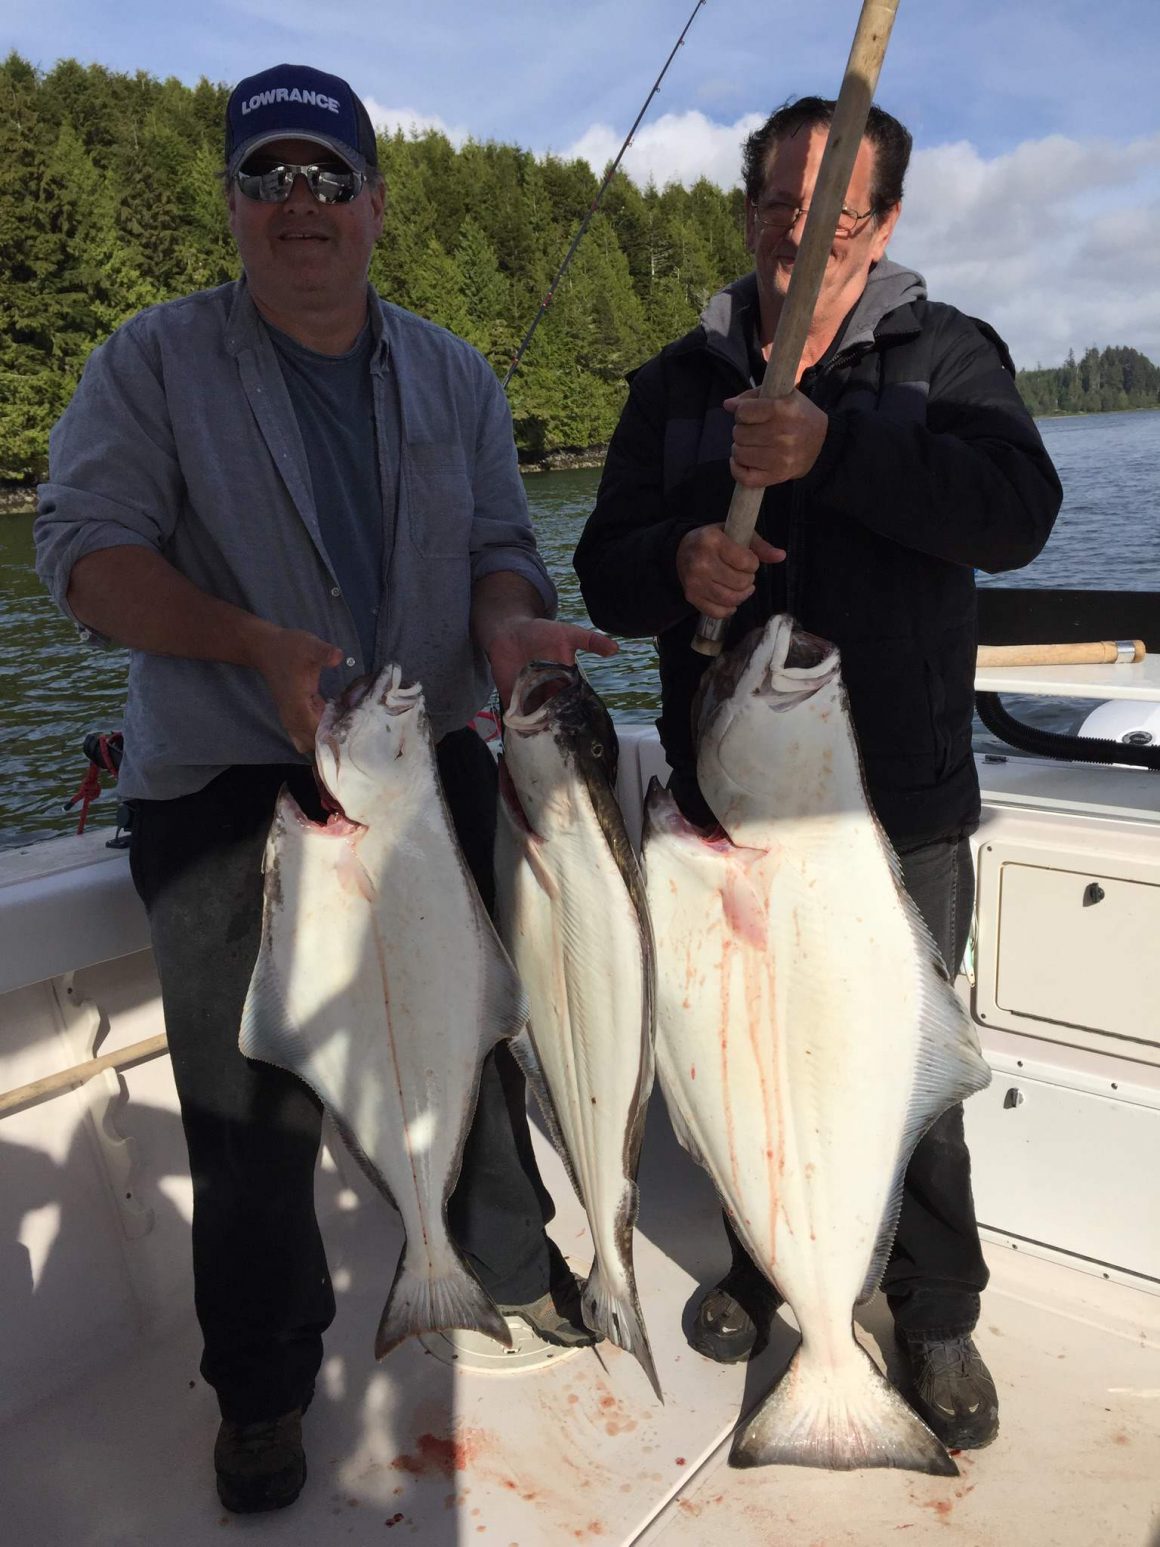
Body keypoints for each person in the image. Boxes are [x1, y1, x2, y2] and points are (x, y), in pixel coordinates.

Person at [35, 63, 616, 1516]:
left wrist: (505, 623)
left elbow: (504, 546)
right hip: (230, 788)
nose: (302, 204)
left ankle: (504, 1264)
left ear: (375, 202)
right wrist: (250, 646)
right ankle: (264, 1394)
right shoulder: (147, 364)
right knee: (246, 1110)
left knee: (472, 1034)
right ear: (233, 203)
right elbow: (82, 556)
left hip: (425, 765)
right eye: (269, 176)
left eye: (328, 176)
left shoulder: (458, 373)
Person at [574, 95, 1063, 1451]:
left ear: (885, 224)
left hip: (890, 810)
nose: (800, 237)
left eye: (834, 218)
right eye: (779, 209)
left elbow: (1017, 515)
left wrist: (834, 451)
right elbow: (605, 570)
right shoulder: (677, 382)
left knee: (898, 1063)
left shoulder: (947, 358)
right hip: (723, 813)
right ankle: (757, 1262)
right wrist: (677, 565)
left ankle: (938, 1303)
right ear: (748, 213)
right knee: (738, 1064)